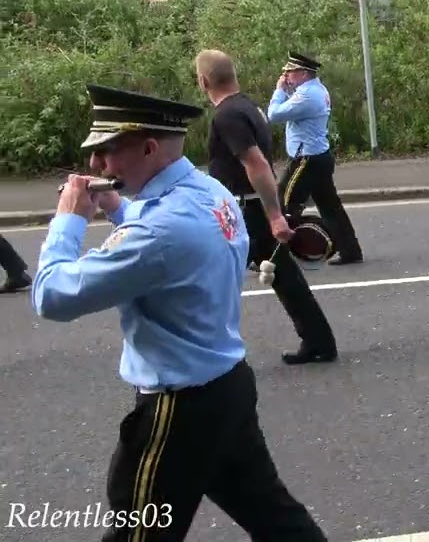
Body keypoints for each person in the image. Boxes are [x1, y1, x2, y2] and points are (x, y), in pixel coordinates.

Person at [29, 83, 328, 541]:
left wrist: (68, 218)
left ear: (149, 148)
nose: (96, 165)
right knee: (277, 520)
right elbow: (167, 250)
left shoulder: (158, 231)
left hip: (179, 408)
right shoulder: (210, 191)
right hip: (225, 385)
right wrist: (118, 209)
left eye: (106, 151)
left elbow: (51, 296)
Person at [197, 49, 339, 365]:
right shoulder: (249, 107)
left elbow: (257, 164)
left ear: (203, 81)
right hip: (250, 209)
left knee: (208, 276)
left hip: (246, 212)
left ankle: (207, 354)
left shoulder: (227, 115)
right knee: (285, 277)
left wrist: (275, 215)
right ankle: (319, 342)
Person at [268, 52, 363, 265]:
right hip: (318, 156)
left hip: (306, 160)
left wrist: (279, 90)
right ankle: (350, 250)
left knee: (284, 203)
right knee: (330, 207)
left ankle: (277, 256)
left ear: (303, 74)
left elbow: (274, 115)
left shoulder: (307, 96)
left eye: (290, 72)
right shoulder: (315, 90)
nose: (285, 76)